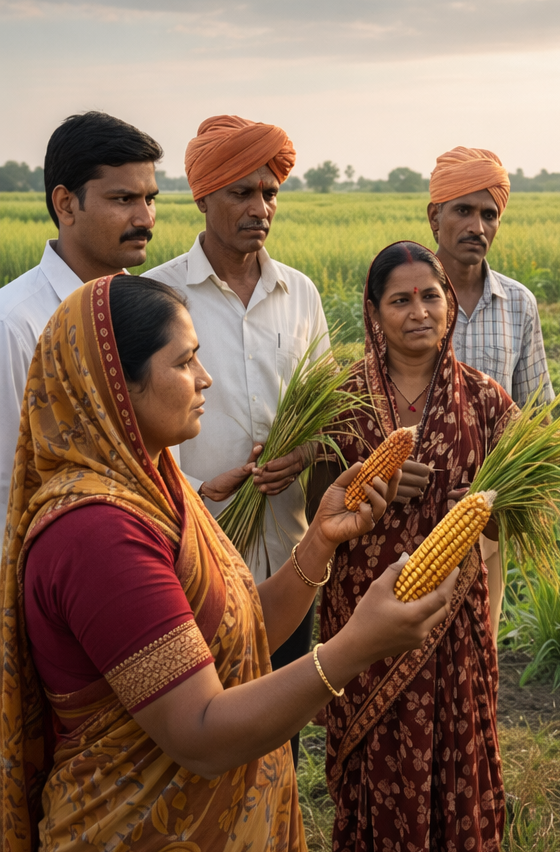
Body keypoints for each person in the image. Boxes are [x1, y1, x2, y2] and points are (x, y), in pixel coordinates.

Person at [0, 274, 455, 851]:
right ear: (116, 386)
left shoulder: (159, 485)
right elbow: (201, 734)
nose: (204, 377)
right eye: (185, 361)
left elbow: (240, 629)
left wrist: (319, 540)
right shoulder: (97, 534)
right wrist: (353, 649)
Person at [314, 241, 516, 852]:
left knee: (458, 754)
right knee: (375, 757)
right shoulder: (339, 399)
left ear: (449, 304)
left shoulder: (487, 402)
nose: (419, 311)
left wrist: (481, 512)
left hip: (452, 616)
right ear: (374, 312)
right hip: (364, 609)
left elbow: (516, 519)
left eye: (431, 296)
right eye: (399, 300)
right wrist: (367, 482)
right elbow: (315, 505)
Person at [144, 115, 328, 761]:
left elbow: (324, 412)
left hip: (288, 552)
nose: (260, 208)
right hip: (192, 555)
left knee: (280, 738)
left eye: (270, 193)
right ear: (202, 196)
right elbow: (131, 436)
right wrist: (197, 489)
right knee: (206, 736)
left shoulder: (299, 293)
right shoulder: (157, 296)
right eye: (241, 193)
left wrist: (302, 453)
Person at [0, 111, 161, 518]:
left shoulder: (155, 311)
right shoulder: (16, 325)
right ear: (66, 204)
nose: (144, 219)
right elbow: (7, 483)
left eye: (150, 199)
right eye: (123, 199)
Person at [427, 145, 554, 408]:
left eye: (489, 215)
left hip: (503, 451)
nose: (477, 228)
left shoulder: (519, 303)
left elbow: (537, 412)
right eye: (463, 211)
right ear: (434, 217)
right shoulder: (404, 299)